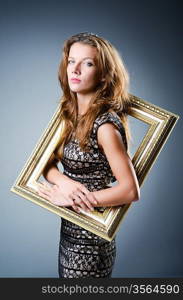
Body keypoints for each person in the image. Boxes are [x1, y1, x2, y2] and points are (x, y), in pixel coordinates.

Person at [38, 32, 140, 278]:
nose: (76, 69)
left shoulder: (104, 126)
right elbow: (47, 164)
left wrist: (75, 199)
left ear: (104, 75)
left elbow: (130, 191)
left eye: (88, 63)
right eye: (72, 61)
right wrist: (65, 182)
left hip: (93, 239)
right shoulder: (70, 115)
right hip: (70, 232)